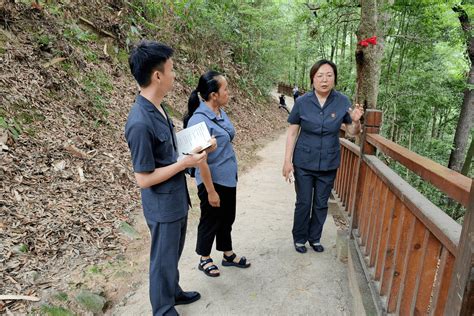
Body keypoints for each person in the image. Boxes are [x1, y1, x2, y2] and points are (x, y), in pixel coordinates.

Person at [125, 40, 209, 316]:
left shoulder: (159, 107)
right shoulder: (139, 121)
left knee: (172, 252)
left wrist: (195, 149)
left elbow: (168, 152)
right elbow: (144, 179)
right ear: (157, 75)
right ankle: (162, 309)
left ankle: (173, 291)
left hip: (176, 199)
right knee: (162, 258)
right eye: (172, 70)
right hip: (161, 205)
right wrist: (185, 162)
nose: (175, 75)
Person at [282, 59, 364, 254]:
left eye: (329, 75)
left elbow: (352, 132)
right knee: (303, 202)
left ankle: (314, 238)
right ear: (313, 79)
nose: (324, 80)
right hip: (303, 161)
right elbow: (292, 132)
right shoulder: (302, 102)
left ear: (334, 78)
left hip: (328, 161)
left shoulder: (342, 101)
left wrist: (356, 122)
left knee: (320, 203)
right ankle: (300, 238)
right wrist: (287, 161)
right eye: (320, 76)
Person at [183, 70, 251, 277]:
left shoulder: (220, 112)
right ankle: (204, 258)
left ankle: (227, 254)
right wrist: (211, 191)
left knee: (227, 218)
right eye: (226, 89)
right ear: (213, 94)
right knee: (210, 219)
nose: (229, 93)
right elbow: (199, 161)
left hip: (228, 177)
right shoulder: (198, 121)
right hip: (212, 180)